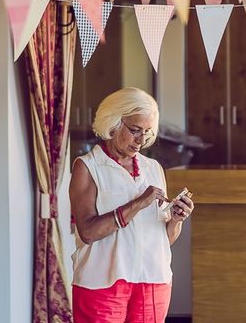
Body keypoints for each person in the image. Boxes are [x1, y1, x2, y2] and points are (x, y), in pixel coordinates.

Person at [69, 87, 194, 323]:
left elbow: (162, 238)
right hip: (103, 282)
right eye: (135, 130)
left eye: (147, 132)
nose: (142, 140)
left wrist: (176, 219)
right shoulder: (87, 167)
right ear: (113, 122)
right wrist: (138, 203)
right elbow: (87, 232)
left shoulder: (153, 168)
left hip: (153, 279)